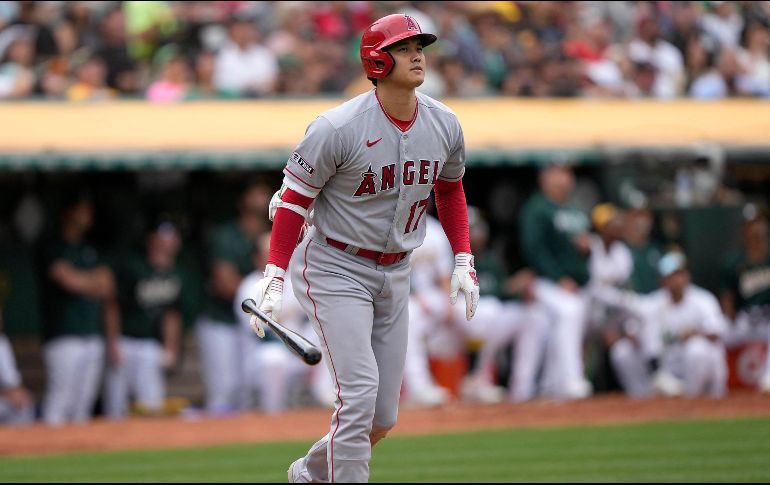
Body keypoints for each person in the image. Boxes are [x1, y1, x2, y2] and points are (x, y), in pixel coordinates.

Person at [253, 14, 479, 483]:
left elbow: (450, 189)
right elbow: (294, 199)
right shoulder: (337, 126)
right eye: (404, 47)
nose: (417, 54)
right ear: (378, 59)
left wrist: (463, 256)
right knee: (356, 397)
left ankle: (308, 474)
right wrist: (274, 273)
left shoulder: (444, 122)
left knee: (380, 417)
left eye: (420, 45)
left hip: (397, 271)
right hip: (336, 264)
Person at [600, 251, 728, 398]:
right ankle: (642, 401)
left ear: (687, 275)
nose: (676, 280)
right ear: (662, 280)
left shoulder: (703, 300)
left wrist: (694, 333)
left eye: (679, 274)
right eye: (671, 276)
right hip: (668, 370)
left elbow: (716, 332)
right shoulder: (655, 302)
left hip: (701, 372)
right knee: (622, 351)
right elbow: (633, 329)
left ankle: (692, 399)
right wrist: (635, 336)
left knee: (696, 348)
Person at [234, 232, 335, 414]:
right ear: (257, 257)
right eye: (268, 252)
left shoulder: (293, 280)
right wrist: (289, 309)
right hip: (263, 351)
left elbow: (318, 308)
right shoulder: (249, 285)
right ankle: (274, 414)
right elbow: (259, 327)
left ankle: (326, 399)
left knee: (331, 334)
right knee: (273, 359)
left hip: (298, 349)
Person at [41, 191, 115, 426]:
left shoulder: (89, 248)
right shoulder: (53, 245)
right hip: (63, 336)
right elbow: (67, 281)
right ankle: (46, 454)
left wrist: (83, 281)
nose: (88, 215)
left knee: (83, 405)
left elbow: (107, 286)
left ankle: (76, 454)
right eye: (83, 209)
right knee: (60, 401)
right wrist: (90, 282)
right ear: (69, 213)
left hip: (92, 334)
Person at [519, 163, 592, 400]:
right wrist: (558, 277)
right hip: (547, 282)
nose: (562, 179)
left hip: (577, 283)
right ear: (544, 178)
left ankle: (552, 384)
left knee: (558, 325)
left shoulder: (574, 208)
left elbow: (580, 248)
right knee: (569, 312)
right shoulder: (537, 208)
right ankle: (571, 380)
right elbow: (534, 249)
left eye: (566, 173)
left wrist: (585, 249)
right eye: (556, 172)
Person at [197, 182, 271, 415]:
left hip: (254, 326)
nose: (261, 199)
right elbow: (225, 284)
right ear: (243, 200)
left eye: (265, 193)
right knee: (224, 388)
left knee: (245, 391)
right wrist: (263, 292)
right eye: (255, 193)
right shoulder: (227, 234)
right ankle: (212, 445)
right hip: (221, 321)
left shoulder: (274, 232)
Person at [103, 219, 183, 419]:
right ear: (151, 239)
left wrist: (170, 347)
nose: (169, 240)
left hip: (150, 345)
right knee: (115, 406)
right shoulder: (133, 266)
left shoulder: (174, 273)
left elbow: (171, 314)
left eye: (171, 235)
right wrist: (113, 342)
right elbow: (112, 305)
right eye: (163, 235)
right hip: (125, 341)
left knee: (152, 404)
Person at [719, 205, 770, 392]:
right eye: (751, 224)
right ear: (744, 230)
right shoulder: (733, 261)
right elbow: (727, 297)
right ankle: (716, 386)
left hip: (768, 319)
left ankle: (768, 379)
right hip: (745, 319)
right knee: (716, 336)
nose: (756, 229)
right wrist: (728, 320)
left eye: (759, 223)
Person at [0, 322, 34, 426]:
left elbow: (11, 380)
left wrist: (18, 391)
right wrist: (7, 393)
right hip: (4, 394)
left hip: (4, 397)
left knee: (23, 404)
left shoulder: (2, 341)